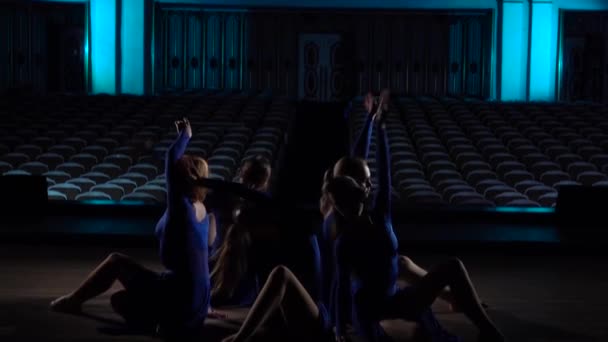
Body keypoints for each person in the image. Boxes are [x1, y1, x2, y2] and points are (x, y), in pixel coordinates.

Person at [328, 108, 504, 342]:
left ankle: (488, 330)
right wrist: (340, 329)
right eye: (365, 182)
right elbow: (340, 287)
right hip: (367, 307)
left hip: (392, 297)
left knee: (446, 266)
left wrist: (378, 125)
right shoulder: (344, 236)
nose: (369, 185)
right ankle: (457, 304)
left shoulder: (378, 213)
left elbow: (378, 167)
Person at [50, 118, 214, 338]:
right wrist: (207, 304)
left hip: (181, 299)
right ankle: (163, 320)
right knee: (120, 299)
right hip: (197, 305)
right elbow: (202, 264)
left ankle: (73, 301)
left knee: (116, 264)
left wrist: (185, 135)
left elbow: (170, 157)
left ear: (183, 178)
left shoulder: (181, 208)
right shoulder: (202, 210)